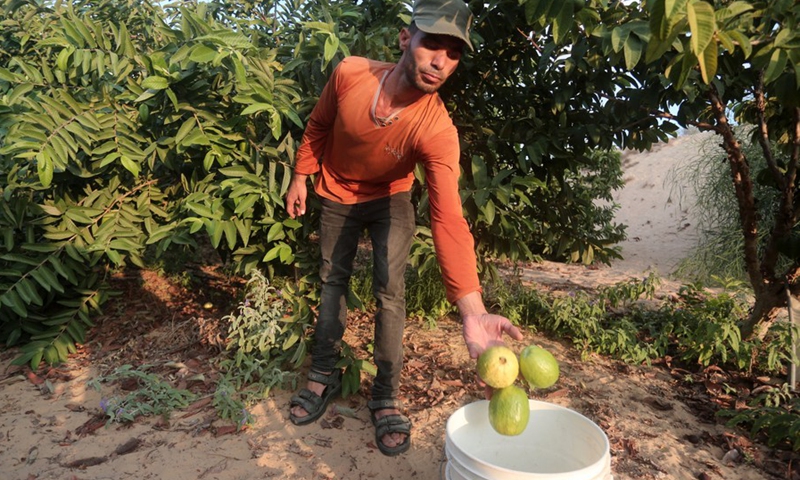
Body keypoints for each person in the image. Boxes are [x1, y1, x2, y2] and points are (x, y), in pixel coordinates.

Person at [284, 0, 523, 456]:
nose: (441, 62)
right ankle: (322, 376)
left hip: (390, 197)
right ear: (403, 38)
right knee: (331, 281)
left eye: (453, 53)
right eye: (432, 44)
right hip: (334, 190)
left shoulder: (437, 129)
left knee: (390, 290)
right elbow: (318, 126)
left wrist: (472, 312)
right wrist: (301, 174)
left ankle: (385, 394)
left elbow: (448, 215)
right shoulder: (352, 73)